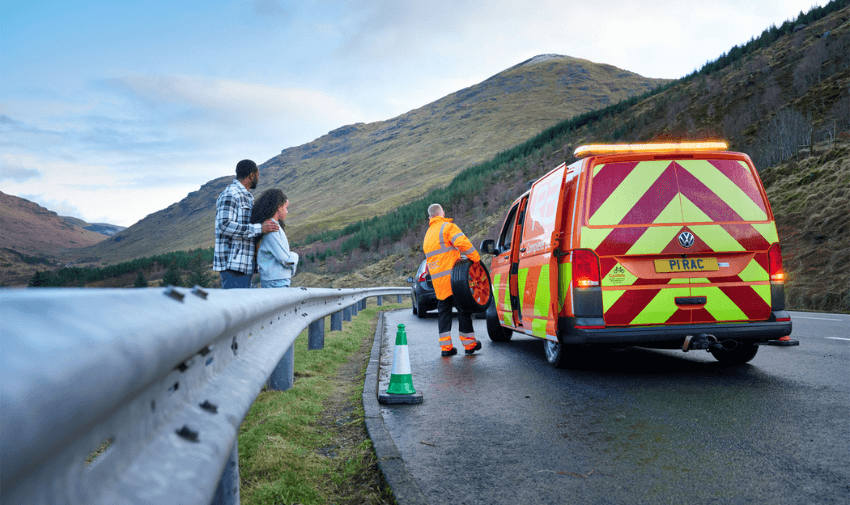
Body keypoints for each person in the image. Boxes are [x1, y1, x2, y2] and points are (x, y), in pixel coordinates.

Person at [422, 203, 482, 356]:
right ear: (441, 213)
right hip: (454, 279)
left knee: (443, 312)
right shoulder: (447, 227)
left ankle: (446, 348)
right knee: (463, 309)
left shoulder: (428, 235)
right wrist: (476, 259)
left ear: (430, 217)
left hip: (438, 283)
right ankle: (469, 345)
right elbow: (463, 244)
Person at [214, 159, 278, 289]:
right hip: (232, 265)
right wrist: (260, 228)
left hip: (245, 264)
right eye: (258, 175)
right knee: (235, 307)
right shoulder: (230, 194)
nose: (258, 179)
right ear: (252, 175)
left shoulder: (248, 197)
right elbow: (224, 225)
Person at [250, 189, 299, 288]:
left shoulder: (274, 226)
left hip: (276, 279)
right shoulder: (272, 230)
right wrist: (295, 257)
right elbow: (285, 260)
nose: (287, 211)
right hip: (275, 281)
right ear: (279, 207)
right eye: (286, 207)